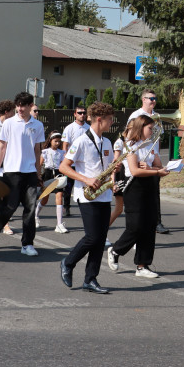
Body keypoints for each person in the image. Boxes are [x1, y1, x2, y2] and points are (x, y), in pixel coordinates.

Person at [58, 101, 115, 294]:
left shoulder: (107, 142)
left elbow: (106, 167)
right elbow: (63, 167)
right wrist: (86, 179)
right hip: (86, 195)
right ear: (100, 119)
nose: (112, 123)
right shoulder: (81, 141)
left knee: (100, 240)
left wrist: (114, 173)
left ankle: (90, 279)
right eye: (109, 119)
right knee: (92, 237)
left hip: (104, 195)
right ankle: (68, 262)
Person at [107, 114, 169, 278]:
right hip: (134, 186)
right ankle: (115, 250)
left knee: (149, 226)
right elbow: (134, 170)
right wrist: (153, 170)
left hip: (150, 184)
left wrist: (150, 168)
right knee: (135, 226)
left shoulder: (152, 144)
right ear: (141, 127)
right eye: (150, 128)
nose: (152, 131)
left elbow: (158, 166)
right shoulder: (131, 144)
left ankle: (143, 266)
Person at [0, 92, 45, 257]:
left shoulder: (37, 125)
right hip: (12, 172)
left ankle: (27, 244)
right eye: (18, 105)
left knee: (30, 209)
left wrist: (38, 173)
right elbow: (2, 147)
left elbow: (37, 149)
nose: (20, 109)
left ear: (29, 106)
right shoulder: (9, 124)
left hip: (30, 173)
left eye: (23, 106)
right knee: (10, 207)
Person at [128, 89, 169, 235]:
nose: (153, 101)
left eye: (155, 98)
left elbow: (158, 137)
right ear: (143, 100)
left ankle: (156, 221)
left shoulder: (157, 116)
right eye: (150, 98)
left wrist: (156, 159)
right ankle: (144, 224)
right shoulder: (136, 115)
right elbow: (130, 136)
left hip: (153, 155)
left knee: (155, 191)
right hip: (140, 156)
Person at [60, 105, 90, 218]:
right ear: (75, 114)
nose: (82, 115)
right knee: (68, 187)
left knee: (83, 186)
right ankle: (66, 207)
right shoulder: (70, 128)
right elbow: (65, 146)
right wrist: (65, 161)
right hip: (71, 163)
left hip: (84, 163)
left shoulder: (88, 128)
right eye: (80, 113)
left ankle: (84, 207)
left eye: (84, 113)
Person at [37, 132, 69, 233]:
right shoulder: (45, 152)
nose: (57, 143)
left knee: (59, 196)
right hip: (48, 174)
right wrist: (39, 177)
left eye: (59, 141)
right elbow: (40, 164)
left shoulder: (61, 152)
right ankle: (35, 215)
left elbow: (63, 165)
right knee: (45, 199)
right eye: (55, 141)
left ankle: (59, 224)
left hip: (58, 175)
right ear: (50, 141)